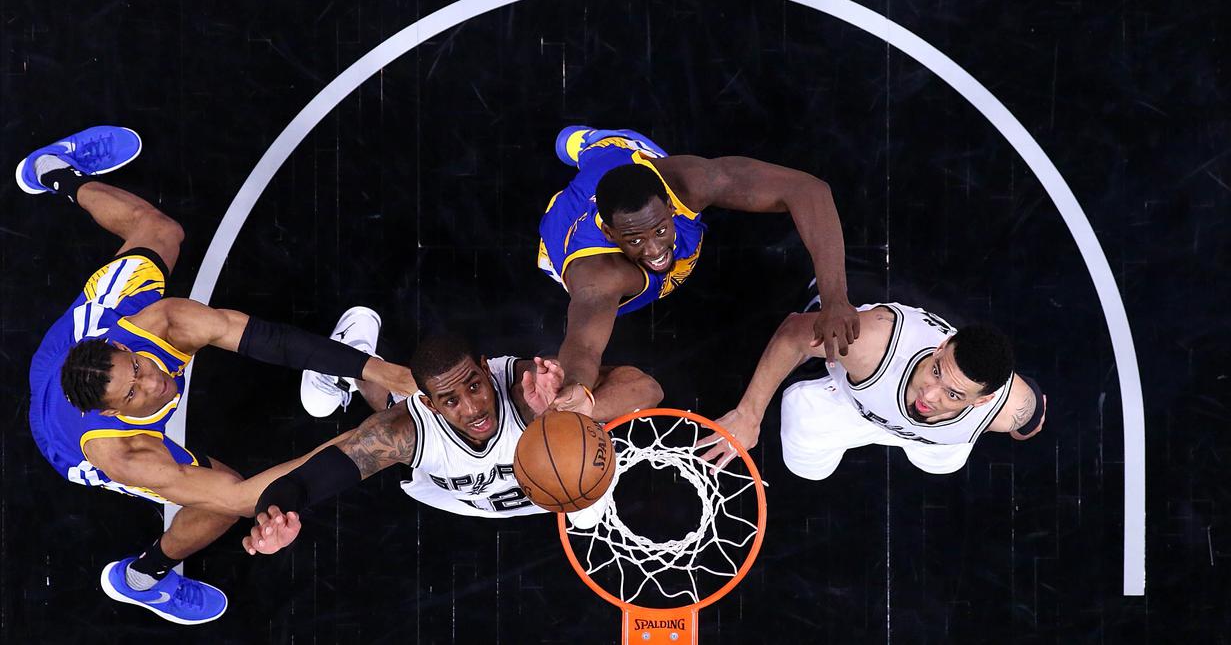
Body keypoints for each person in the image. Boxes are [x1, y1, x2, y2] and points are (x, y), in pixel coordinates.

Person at [18, 126, 418, 625]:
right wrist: (367, 438)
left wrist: (378, 369)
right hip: (61, 437)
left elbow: (268, 339)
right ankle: (144, 577)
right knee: (220, 498)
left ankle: (52, 171)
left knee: (160, 230)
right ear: (110, 409)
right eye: (135, 391)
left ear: (123, 345)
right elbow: (243, 497)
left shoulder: (159, 324)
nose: (155, 383)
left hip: (68, 345)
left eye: (139, 368)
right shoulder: (124, 452)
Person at [243, 330, 663, 555]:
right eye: (450, 400)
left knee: (588, 493)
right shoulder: (402, 431)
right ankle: (356, 360)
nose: (473, 408)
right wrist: (271, 521)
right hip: (453, 495)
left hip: (534, 492)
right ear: (428, 402)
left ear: (485, 369)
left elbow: (646, 388)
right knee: (386, 404)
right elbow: (302, 485)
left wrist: (579, 406)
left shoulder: (532, 391)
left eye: (476, 386)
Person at [537, 125, 859, 414]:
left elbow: (809, 190)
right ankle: (584, 151)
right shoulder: (599, 276)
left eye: (660, 230)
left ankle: (591, 143)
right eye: (635, 240)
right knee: (565, 270)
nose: (653, 250)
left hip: (616, 160)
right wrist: (578, 388)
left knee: (599, 150)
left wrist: (834, 298)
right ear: (610, 234)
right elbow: (584, 345)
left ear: (669, 205)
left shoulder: (685, 181)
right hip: (564, 231)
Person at [699, 300, 1046, 477]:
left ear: (983, 400)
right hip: (850, 404)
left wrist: (1025, 427)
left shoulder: (1008, 410)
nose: (929, 394)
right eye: (937, 371)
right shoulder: (872, 346)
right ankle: (820, 302)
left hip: (928, 437)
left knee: (943, 464)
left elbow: (1031, 418)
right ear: (943, 345)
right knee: (806, 469)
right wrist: (748, 414)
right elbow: (793, 334)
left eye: (953, 394)